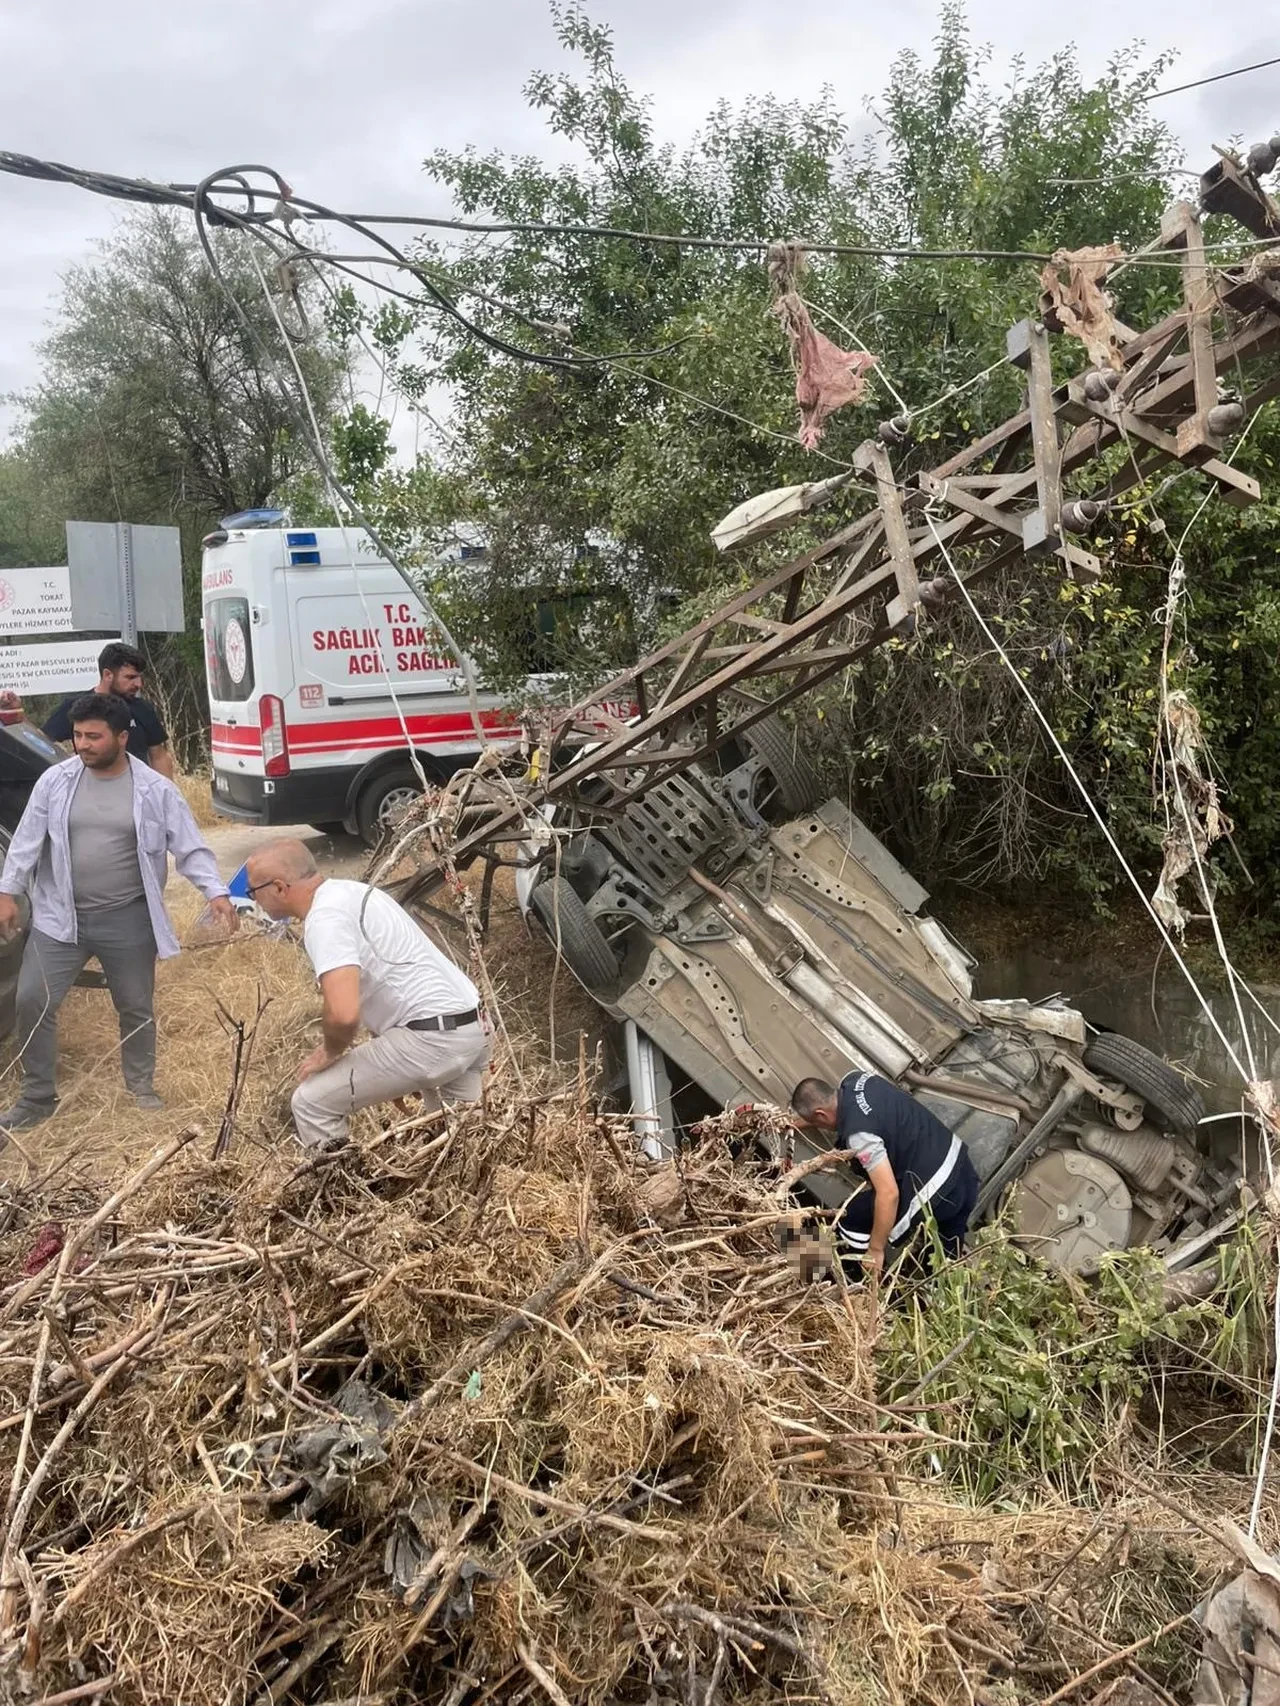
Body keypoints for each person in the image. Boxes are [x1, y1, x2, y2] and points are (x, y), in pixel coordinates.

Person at [0, 693, 237, 1131]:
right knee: (32, 998)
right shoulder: (55, 782)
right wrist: (7, 892)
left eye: (94, 737)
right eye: (77, 735)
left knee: (135, 1006)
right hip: (59, 918)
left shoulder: (154, 790)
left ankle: (140, 1090)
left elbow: (190, 847)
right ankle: (36, 1098)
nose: (82, 745)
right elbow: (26, 841)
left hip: (127, 919)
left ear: (122, 738)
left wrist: (216, 893)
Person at [244, 838, 490, 1149]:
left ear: (280, 888)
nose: (254, 900)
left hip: (432, 1039)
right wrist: (395, 1068)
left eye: (254, 891)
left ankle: (340, 1181)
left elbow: (344, 1014)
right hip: (473, 1027)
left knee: (311, 1103)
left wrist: (329, 1052)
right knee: (459, 1148)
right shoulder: (355, 892)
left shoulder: (325, 919)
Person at [789, 1071, 979, 1274]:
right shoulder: (857, 1080)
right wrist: (791, 1123)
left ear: (821, 1115)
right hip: (962, 1172)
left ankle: (860, 1279)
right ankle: (944, 1280)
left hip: (936, 1193)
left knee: (850, 1216)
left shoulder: (860, 1135)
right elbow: (845, 1114)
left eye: (817, 1122)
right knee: (946, 1254)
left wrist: (876, 1249)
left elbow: (889, 1194)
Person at [41, 642, 174, 777]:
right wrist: (66, 771)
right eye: (130, 677)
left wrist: (167, 788)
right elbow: (41, 743)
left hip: (136, 787)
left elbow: (159, 757)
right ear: (107, 675)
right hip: (91, 786)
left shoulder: (143, 708)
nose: (138, 684)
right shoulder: (76, 706)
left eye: (139, 677)